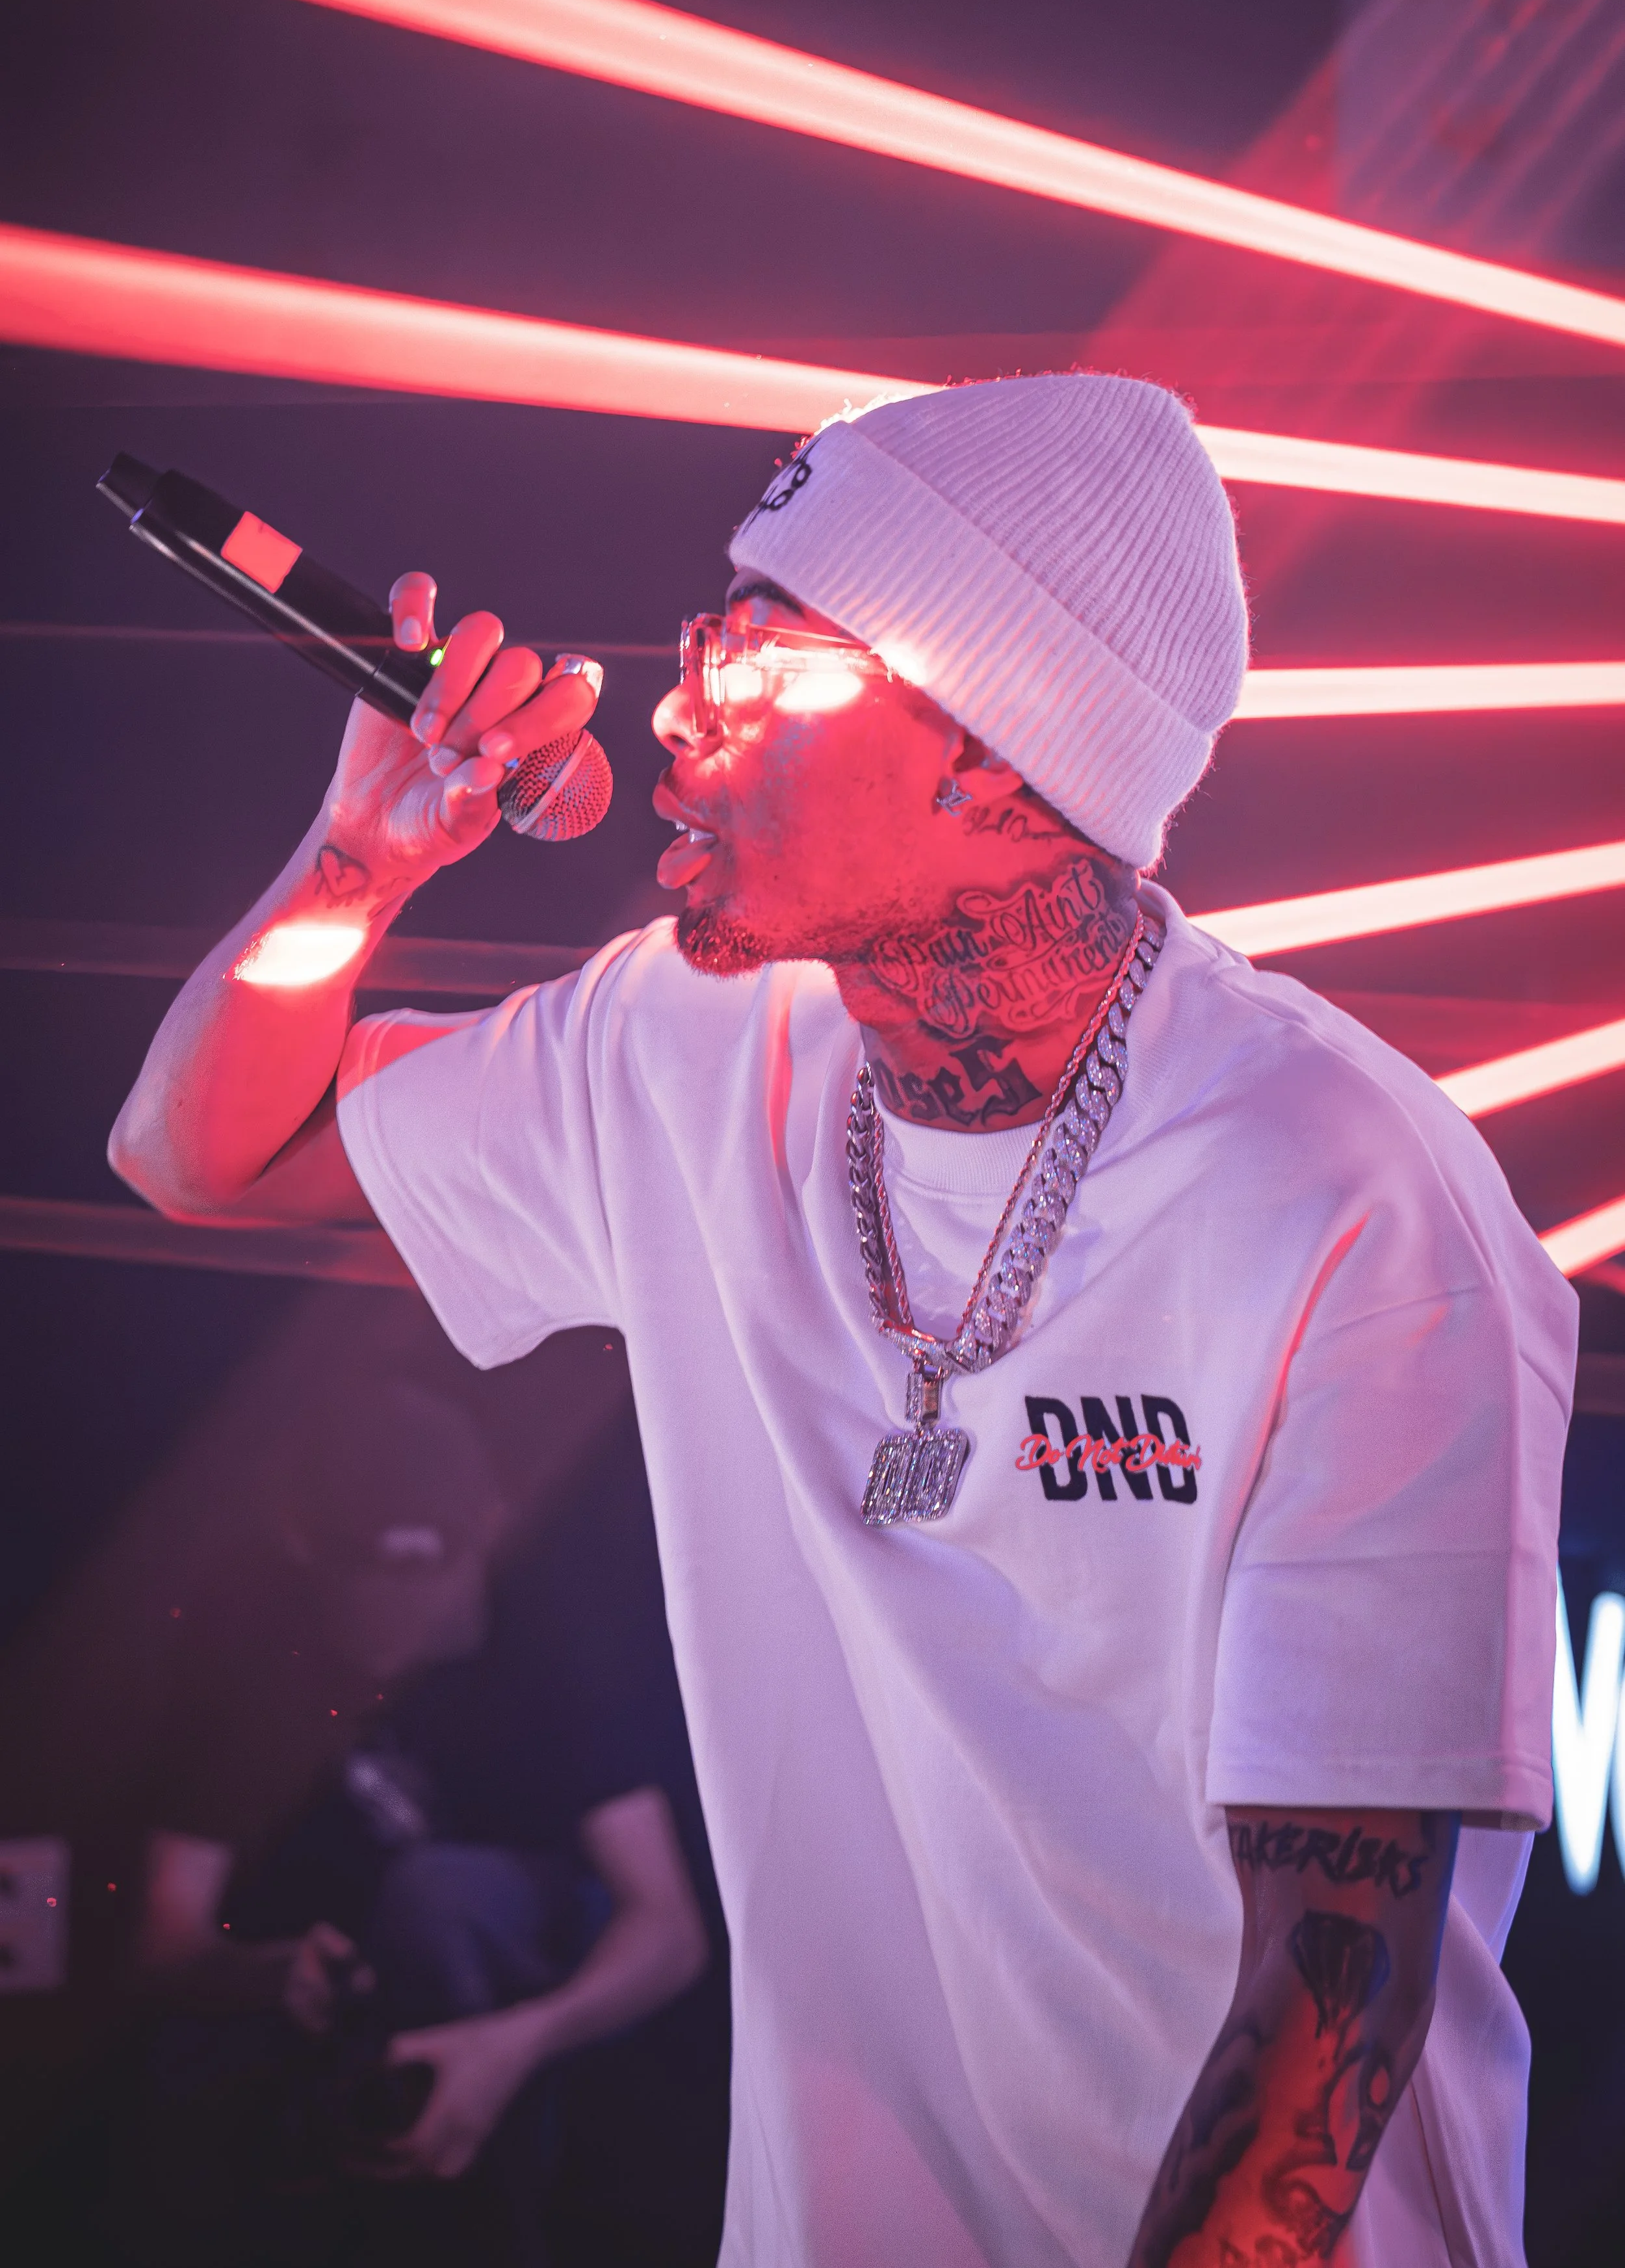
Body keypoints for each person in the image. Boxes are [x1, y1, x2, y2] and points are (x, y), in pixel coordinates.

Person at [110, 373, 1576, 2267]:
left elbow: (1328, 1973)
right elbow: (196, 1154)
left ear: (994, 765)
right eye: (704, 640)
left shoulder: (1346, 1197)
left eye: (766, 671)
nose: (674, 710)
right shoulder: (685, 1047)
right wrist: (357, 863)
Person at [122, 1382, 711, 2264]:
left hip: (523, 1974)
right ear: (303, 1548)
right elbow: (168, 1938)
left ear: (487, 1529)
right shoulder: (250, 1650)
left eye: (426, 1573)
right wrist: (259, 1970)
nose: (398, 1607)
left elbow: (668, 1929)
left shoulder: (546, 1632)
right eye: (365, 1575)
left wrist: (508, 2046)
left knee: (442, 1897)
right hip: (337, 1998)